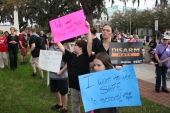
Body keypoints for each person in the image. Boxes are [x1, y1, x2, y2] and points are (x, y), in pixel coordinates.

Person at [57, 21, 92, 113]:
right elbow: (62, 48)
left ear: (80, 47)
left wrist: (88, 29)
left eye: (75, 45)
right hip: (73, 86)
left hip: (84, 87)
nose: (74, 46)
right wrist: (56, 36)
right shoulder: (72, 56)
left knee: (87, 106)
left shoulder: (86, 56)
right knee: (74, 106)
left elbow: (90, 43)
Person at [49, 40, 68, 113]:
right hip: (52, 74)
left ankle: (64, 108)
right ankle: (60, 103)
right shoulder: (51, 47)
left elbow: (68, 62)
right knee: (55, 90)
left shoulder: (64, 48)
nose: (51, 37)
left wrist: (62, 71)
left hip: (61, 75)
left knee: (63, 92)